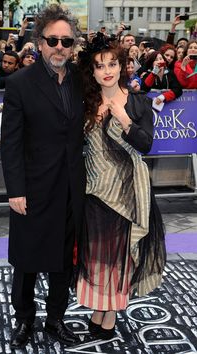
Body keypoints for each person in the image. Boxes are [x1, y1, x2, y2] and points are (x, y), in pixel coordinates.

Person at [0, 4, 85, 349]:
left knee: (65, 259)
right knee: (27, 258)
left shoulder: (82, 80)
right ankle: (24, 319)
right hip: (33, 188)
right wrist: (15, 189)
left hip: (71, 187)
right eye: (53, 40)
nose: (60, 47)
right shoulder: (20, 83)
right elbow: (11, 142)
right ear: (40, 41)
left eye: (67, 41)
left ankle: (55, 319)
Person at [76, 33, 166, 340]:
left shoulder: (138, 102)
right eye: (100, 66)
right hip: (93, 189)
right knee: (95, 254)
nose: (107, 70)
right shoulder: (85, 104)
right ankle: (99, 307)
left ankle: (109, 311)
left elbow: (147, 145)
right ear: (93, 71)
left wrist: (124, 118)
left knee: (119, 254)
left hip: (127, 191)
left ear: (122, 65)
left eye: (112, 63)